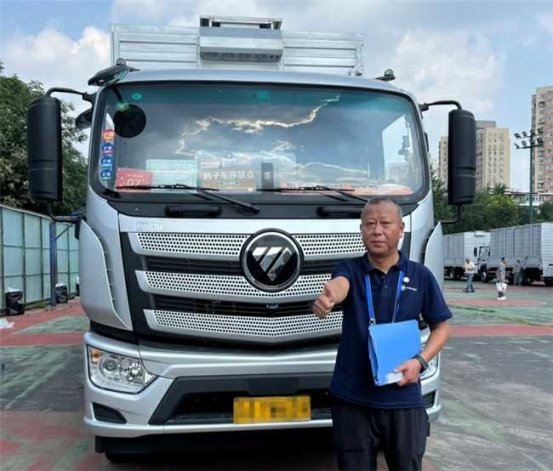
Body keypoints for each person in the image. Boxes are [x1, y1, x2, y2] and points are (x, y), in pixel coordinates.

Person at [312, 197, 452, 471]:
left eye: (385, 224)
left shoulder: (420, 276)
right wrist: (329, 298)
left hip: (404, 399)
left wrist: (420, 361)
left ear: (400, 229)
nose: (377, 231)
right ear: (361, 230)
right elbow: (340, 285)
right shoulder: (350, 269)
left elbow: (442, 327)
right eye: (370, 224)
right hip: (353, 400)